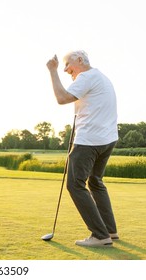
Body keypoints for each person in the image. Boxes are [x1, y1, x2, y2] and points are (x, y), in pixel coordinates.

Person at [46, 50, 119, 247]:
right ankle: (110, 230)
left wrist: (52, 71)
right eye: (61, 66)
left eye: (67, 64)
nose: (65, 69)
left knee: (75, 184)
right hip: (107, 139)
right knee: (95, 181)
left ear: (80, 60)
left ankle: (100, 235)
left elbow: (61, 98)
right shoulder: (100, 76)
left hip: (90, 141)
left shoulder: (86, 76)